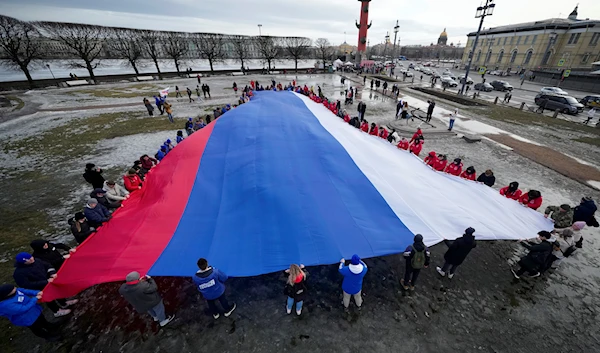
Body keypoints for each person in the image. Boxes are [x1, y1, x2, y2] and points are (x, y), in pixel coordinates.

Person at [13, 253, 76, 317]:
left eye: (31, 257)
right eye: (28, 260)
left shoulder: (37, 260)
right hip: (40, 288)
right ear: (23, 262)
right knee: (49, 299)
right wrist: (45, 282)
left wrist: (52, 273)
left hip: (50, 281)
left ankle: (64, 303)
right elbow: (26, 285)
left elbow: (48, 265)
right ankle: (56, 311)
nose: (31, 259)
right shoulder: (18, 273)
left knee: (57, 292)